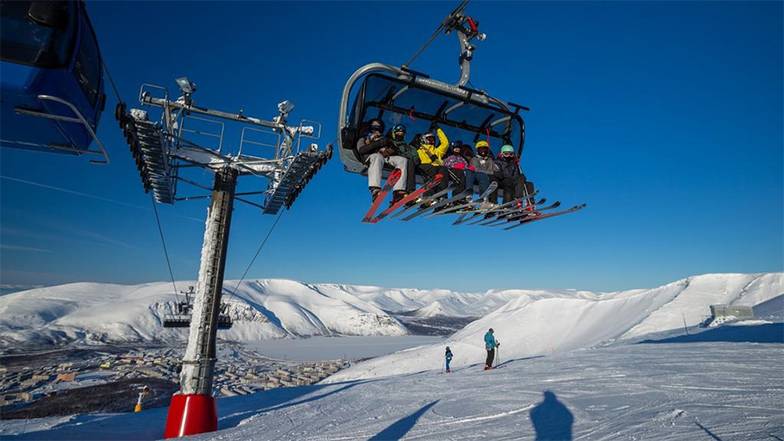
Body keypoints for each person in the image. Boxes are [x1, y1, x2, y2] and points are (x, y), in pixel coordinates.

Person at [356, 119, 411, 205]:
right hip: (371, 157)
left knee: (402, 160)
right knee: (377, 157)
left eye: (378, 127)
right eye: (374, 127)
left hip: (385, 158)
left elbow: (393, 150)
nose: (376, 130)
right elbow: (361, 150)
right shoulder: (364, 138)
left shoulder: (385, 139)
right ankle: (375, 190)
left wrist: (390, 149)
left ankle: (398, 191)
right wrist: (377, 143)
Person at [415, 126, 451, 197]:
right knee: (432, 169)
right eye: (429, 139)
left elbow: (445, 143)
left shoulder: (437, 151)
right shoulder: (420, 150)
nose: (432, 141)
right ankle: (428, 195)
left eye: (433, 139)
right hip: (424, 166)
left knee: (444, 169)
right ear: (424, 140)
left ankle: (441, 195)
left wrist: (438, 129)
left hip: (436, 167)